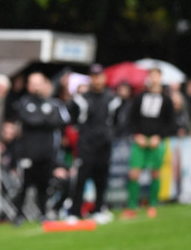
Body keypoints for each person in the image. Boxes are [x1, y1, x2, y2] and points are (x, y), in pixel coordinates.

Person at [10, 72, 69, 224]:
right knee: (24, 186)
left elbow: (56, 121)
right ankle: (18, 215)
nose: (35, 87)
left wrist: (40, 119)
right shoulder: (24, 102)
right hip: (28, 152)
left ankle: (43, 213)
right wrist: (43, 119)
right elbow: (28, 119)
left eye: (38, 83)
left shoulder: (52, 103)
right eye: (32, 83)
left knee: (43, 185)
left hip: (46, 152)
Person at [67, 64, 121, 219]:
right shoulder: (81, 99)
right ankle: (75, 212)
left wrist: (109, 135)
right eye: (94, 76)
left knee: (101, 178)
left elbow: (116, 122)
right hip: (86, 144)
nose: (97, 79)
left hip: (104, 144)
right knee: (81, 178)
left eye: (99, 76)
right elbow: (74, 120)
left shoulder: (112, 98)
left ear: (104, 78)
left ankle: (98, 209)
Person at [122, 67, 174, 218]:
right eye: (151, 75)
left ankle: (152, 205)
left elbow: (170, 122)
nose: (154, 78)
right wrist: (137, 135)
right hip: (140, 140)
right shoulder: (139, 97)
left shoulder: (166, 100)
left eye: (156, 75)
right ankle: (132, 206)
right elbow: (131, 118)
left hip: (157, 141)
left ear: (161, 78)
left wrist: (159, 136)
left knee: (155, 173)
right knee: (134, 173)